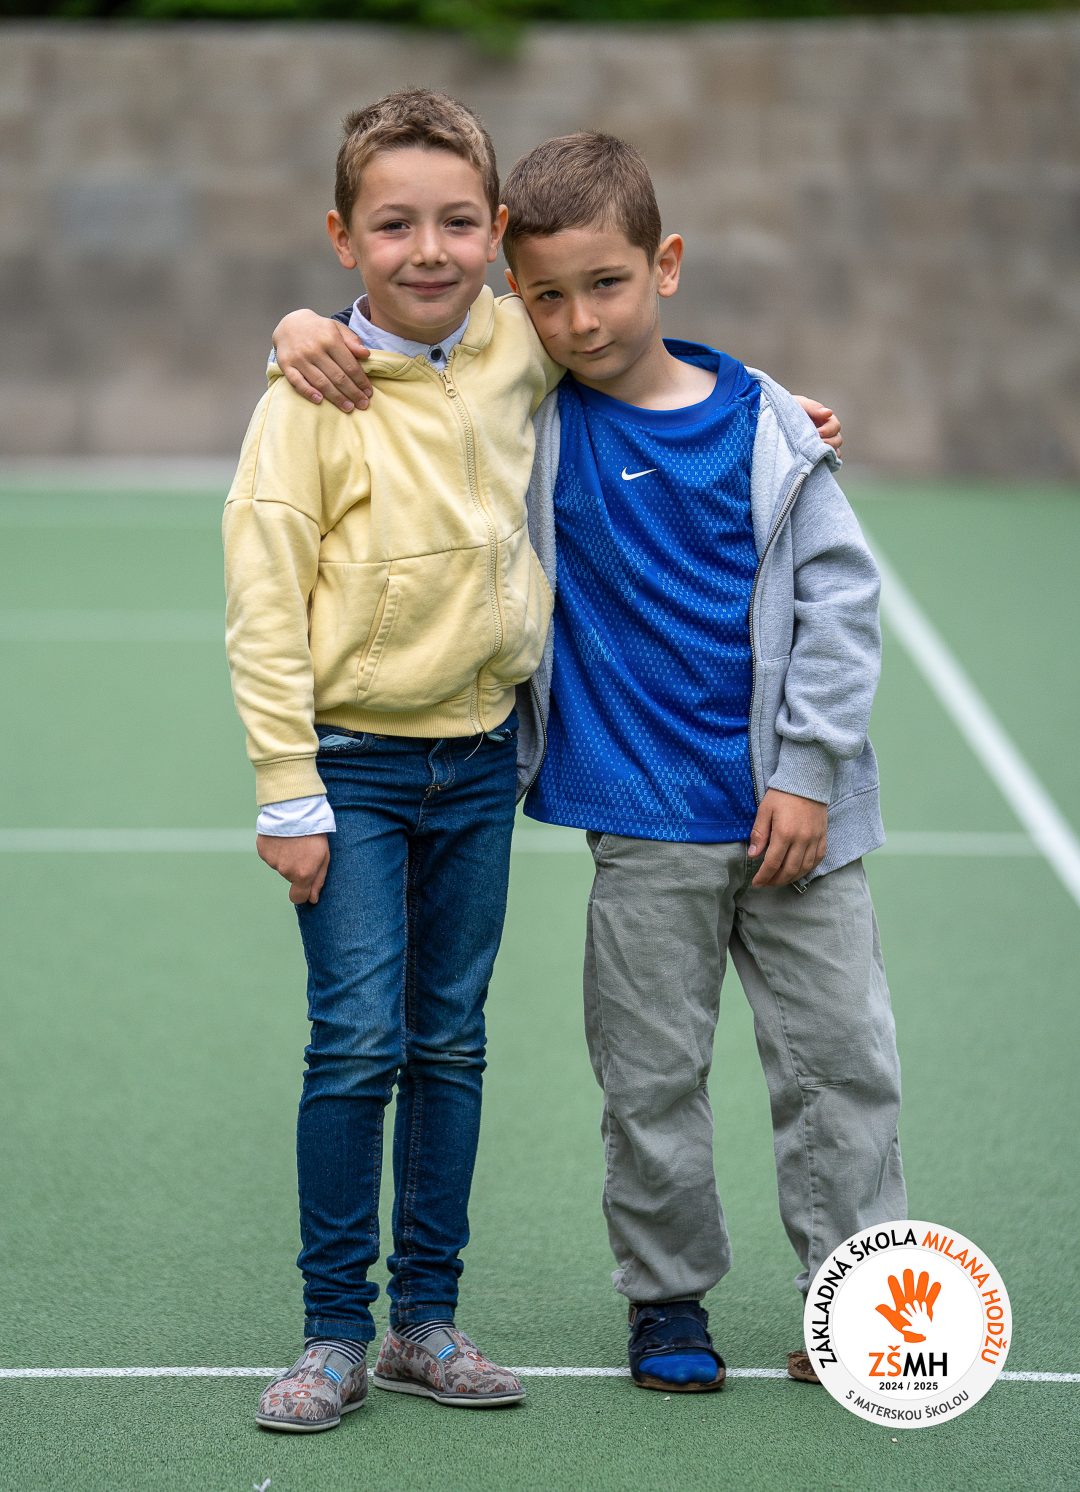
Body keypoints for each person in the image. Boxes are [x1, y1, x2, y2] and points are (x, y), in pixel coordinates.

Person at [269, 129, 857, 1402]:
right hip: (627, 815)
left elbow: (835, 605)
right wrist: (299, 327)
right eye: (549, 296)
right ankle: (664, 1301)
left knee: (837, 1070)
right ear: (517, 293)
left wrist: (784, 415)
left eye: (606, 286)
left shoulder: (740, 422)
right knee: (641, 1082)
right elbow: (408, 345)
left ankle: (853, 1305)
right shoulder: (526, 390)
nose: (579, 320)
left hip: (785, 817)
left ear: (665, 265)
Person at [223, 88, 562, 1432]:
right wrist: (286, 790)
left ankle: (426, 1321)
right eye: (394, 224)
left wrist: (767, 409)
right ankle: (331, 1333)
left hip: (479, 764)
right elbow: (263, 606)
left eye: (459, 222)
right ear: (343, 237)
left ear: (498, 230)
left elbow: (635, 346)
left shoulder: (519, 344)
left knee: (451, 1044)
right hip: (351, 769)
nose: (430, 249)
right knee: (358, 1043)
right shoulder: (308, 397)